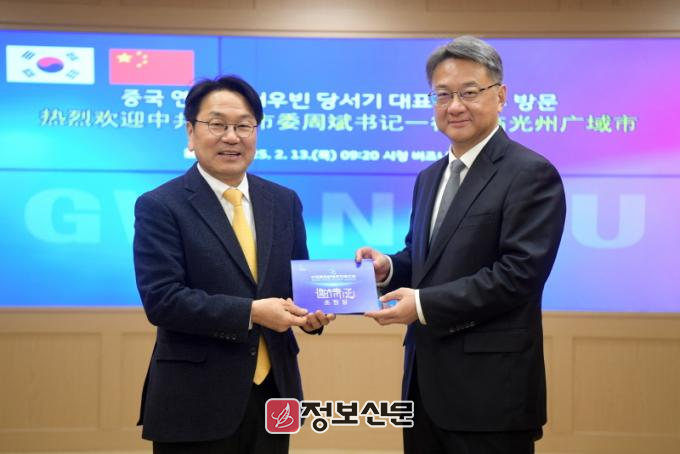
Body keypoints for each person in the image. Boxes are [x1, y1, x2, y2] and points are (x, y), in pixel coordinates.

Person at [356, 36, 566, 454]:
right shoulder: (429, 178)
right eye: (443, 95)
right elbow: (425, 260)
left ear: (500, 95)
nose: (454, 106)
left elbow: (517, 276)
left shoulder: (530, 173)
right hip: (424, 388)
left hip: (491, 395)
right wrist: (389, 268)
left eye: (469, 92)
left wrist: (421, 305)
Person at [133, 75, 335, 454]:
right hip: (195, 398)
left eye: (244, 126)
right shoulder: (160, 205)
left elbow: (297, 284)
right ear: (191, 133)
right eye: (217, 124)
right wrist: (253, 312)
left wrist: (311, 314)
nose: (232, 137)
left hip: (273, 392)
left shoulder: (283, 201)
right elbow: (163, 300)